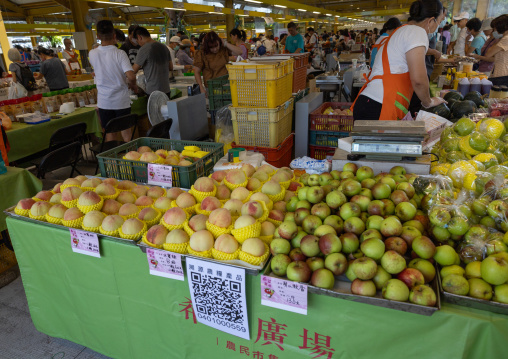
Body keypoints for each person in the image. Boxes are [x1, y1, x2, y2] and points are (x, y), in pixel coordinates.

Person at [352, 0, 445, 122]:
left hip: (368, 102)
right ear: (431, 20)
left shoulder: (401, 31)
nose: (437, 26)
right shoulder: (418, 32)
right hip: (380, 105)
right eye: (438, 22)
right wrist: (429, 102)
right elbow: (418, 80)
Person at [89, 20, 137, 142]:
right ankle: (129, 158)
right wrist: (133, 86)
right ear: (114, 35)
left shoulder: (92, 53)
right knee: (126, 132)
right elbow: (131, 76)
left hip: (104, 101)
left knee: (110, 133)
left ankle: (111, 161)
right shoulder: (119, 53)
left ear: (98, 36)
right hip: (121, 100)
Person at [193, 31, 242, 96]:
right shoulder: (201, 53)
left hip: (226, 84)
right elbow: (196, 71)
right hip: (211, 87)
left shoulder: (223, 50)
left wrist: (225, 43)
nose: (215, 49)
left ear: (219, 42)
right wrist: (201, 87)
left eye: (216, 46)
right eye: (211, 47)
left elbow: (240, 52)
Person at [132, 27, 173, 96]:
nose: (138, 44)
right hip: (166, 90)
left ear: (139, 37)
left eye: (137, 41)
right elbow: (171, 67)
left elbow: (133, 71)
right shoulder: (164, 47)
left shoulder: (144, 49)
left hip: (153, 91)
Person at [481, 15, 508, 86]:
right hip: (500, 73)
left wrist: (495, 39)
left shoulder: (505, 39)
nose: (493, 31)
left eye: (494, 28)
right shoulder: (504, 38)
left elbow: (488, 54)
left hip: (502, 74)